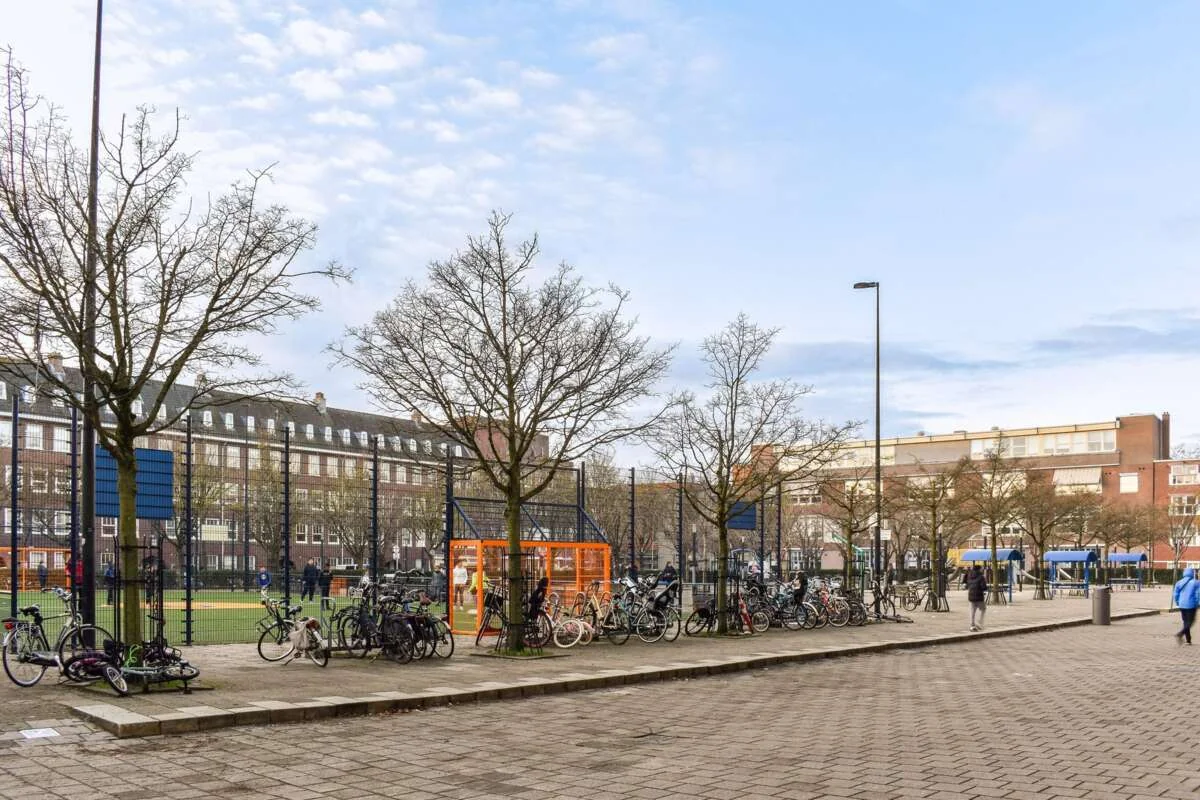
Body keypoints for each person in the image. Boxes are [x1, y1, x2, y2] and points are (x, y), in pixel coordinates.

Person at [1173, 567, 1200, 645]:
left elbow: (1175, 594)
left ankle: (1188, 640)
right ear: (1192, 573)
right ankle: (1180, 634)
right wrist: (1198, 603)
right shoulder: (1196, 582)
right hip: (1191, 605)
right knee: (1190, 622)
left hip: (1182, 604)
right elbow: (1198, 594)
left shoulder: (1179, 582)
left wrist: (1178, 602)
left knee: (1185, 621)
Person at [966, 564, 988, 631]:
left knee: (972, 611)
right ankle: (979, 622)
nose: (982, 569)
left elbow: (968, 585)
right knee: (983, 609)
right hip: (978, 596)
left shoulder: (970, 576)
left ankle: (972, 625)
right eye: (981, 568)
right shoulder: (981, 577)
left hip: (971, 596)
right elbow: (984, 587)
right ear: (979, 569)